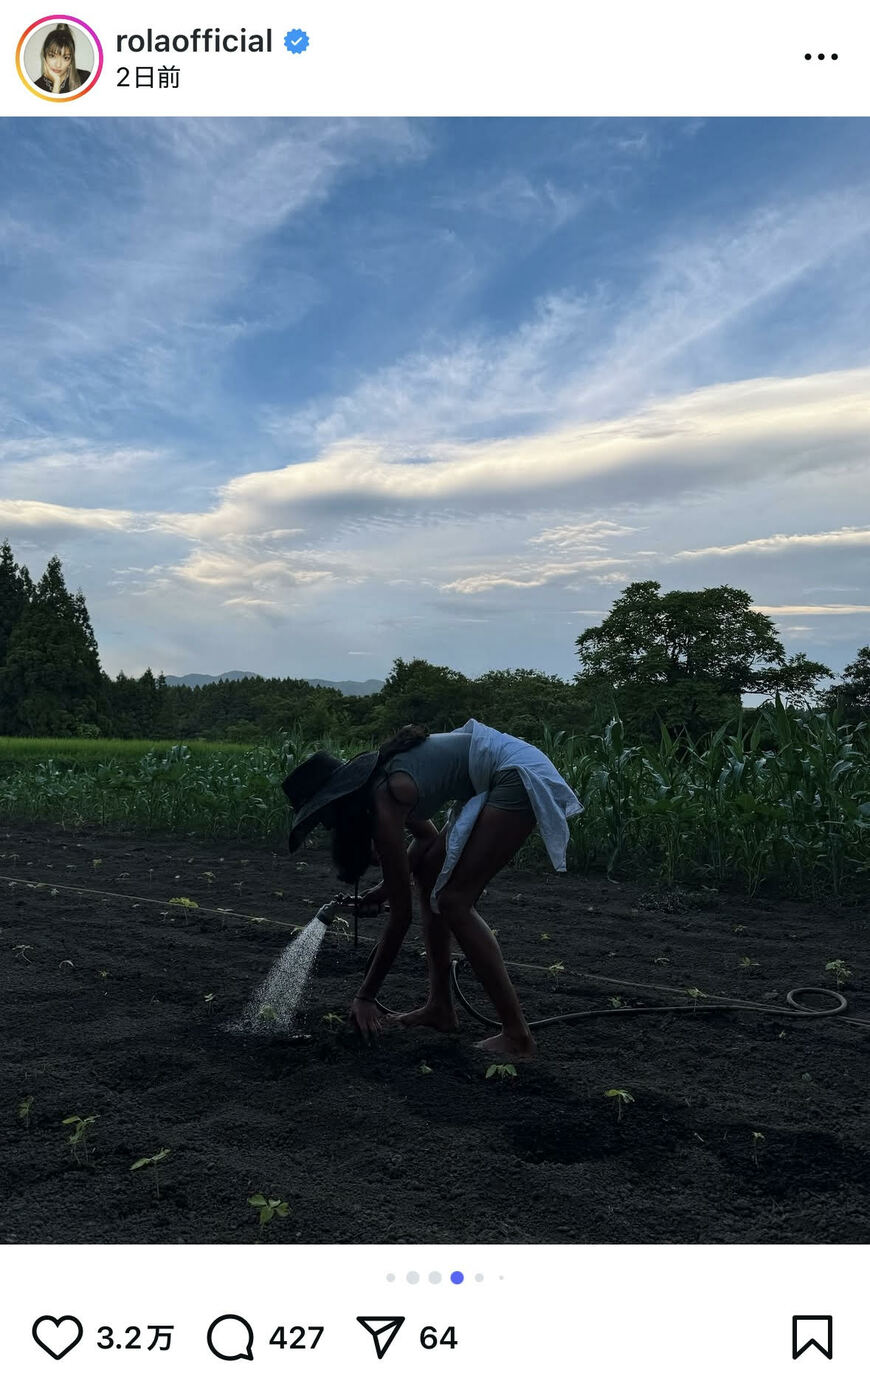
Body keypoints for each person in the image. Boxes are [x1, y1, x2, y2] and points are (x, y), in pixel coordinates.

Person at [282, 719, 583, 1060]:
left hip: (516, 774)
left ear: (339, 801)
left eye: (323, 816)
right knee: (429, 877)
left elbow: (401, 917)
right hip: (499, 773)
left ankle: (517, 1036)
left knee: (455, 902)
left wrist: (365, 997)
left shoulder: (386, 799)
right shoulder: (382, 787)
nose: (325, 825)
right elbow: (425, 839)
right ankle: (440, 1008)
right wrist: (384, 889)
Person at [34, 23, 90, 94]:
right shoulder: (36, 87)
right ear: (44, 56)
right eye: (52, 56)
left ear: (71, 60)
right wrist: (56, 84)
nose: (58, 65)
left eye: (66, 58)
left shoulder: (86, 79)